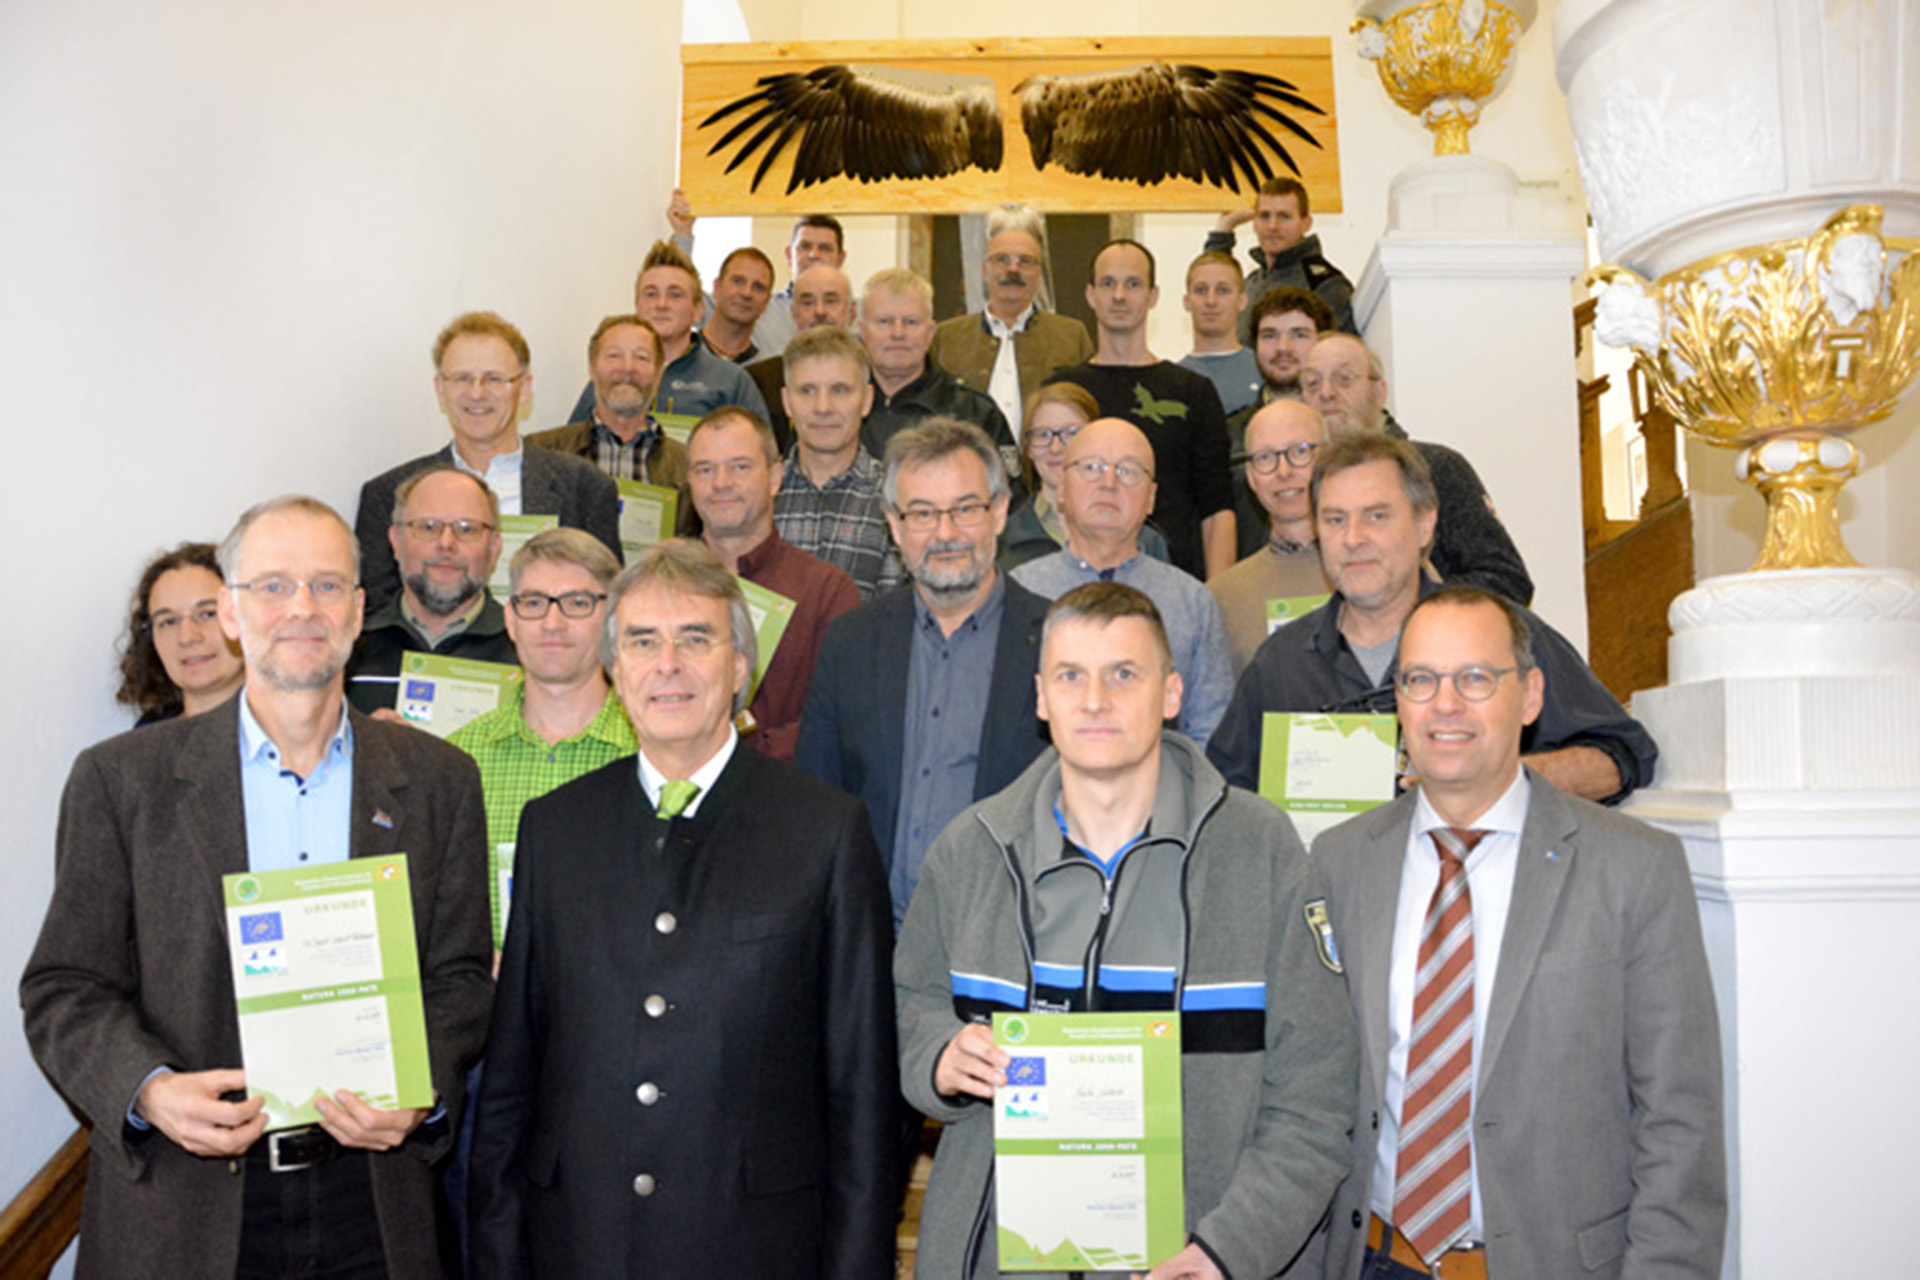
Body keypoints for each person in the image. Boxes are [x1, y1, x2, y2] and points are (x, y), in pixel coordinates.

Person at [23, 495, 491, 1280]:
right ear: (232, 614)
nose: (301, 608)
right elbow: (64, 986)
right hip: (185, 1204)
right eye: (273, 585)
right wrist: (151, 1090)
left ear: (357, 611)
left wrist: (422, 1090)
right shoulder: (121, 781)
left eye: (326, 585)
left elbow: (461, 980)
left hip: (370, 1202)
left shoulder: (440, 780)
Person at [895, 583, 1358, 1280]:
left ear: (1171, 693)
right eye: (1070, 676)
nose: (1094, 700)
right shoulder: (972, 849)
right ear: (1041, 696)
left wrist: (1229, 1250)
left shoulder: (1261, 851)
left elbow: (1317, 1096)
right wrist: (938, 1053)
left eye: (1124, 674)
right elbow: (908, 1005)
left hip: (1195, 1261)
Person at [467, 540, 897, 1279]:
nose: (667, 664)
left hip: (756, 1248)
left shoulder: (824, 830)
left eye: (696, 639)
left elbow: (861, 1095)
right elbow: (512, 1080)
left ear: (739, 668)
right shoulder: (556, 828)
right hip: (579, 1241)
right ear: (615, 667)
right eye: (642, 641)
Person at [1311, 585, 1725, 1280]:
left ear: (1530, 696)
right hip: (1376, 1260)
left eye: (1475, 678)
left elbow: (1679, 1122)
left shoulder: (1635, 867)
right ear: (1399, 702)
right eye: (1421, 680)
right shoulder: (1340, 860)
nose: (1445, 704)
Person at [1207, 434, 1657, 804]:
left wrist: (1495, 778)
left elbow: (1621, 757)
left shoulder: (1499, 633)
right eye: (1335, 520)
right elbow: (1225, 798)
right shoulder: (1282, 664)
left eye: (1376, 516)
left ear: (1425, 525)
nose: (1354, 539)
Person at [796, 418, 1050, 930]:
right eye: (923, 514)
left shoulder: (1057, 643)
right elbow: (816, 801)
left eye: (965, 509)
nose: (946, 533)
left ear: (1000, 512)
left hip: (1014, 935)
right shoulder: (850, 643)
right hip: (874, 937)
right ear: (894, 525)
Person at [356, 311, 620, 613]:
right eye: (461, 378)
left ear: (524, 389)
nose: (477, 393)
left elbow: (607, 609)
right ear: (441, 390)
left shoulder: (585, 488)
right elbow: (377, 618)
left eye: (494, 378)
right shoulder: (385, 495)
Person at [446, 527, 635, 943]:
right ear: (510, 619)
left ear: (612, 621)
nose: (553, 622)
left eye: (577, 603)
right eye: (533, 603)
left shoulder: (651, 757)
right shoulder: (457, 760)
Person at [1048, 239, 1236, 579]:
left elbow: (1217, 507)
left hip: (1173, 581)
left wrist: (1218, 596)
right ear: (1090, 295)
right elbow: (1047, 494)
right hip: (1077, 579)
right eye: (1108, 284)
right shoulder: (1062, 392)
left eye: (1133, 284)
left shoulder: (1193, 391)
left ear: (1153, 296)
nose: (1119, 295)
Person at [1302, 332, 1534, 605]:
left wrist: (1418, 603)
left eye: (1344, 379)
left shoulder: (1436, 468)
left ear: (1379, 394)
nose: (1326, 393)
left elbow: (1508, 580)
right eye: (1312, 383)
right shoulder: (1294, 485)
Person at [686, 405, 859, 760]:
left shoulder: (826, 593)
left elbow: (839, 720)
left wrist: (733, 761)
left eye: (740, 467)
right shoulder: (656, 588)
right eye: (705, 469)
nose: (721, 483)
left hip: (781, 797)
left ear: (775, 477)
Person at [347, 466, 515, 715]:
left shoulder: (527, 651)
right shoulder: (349, 647)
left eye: (467, 529)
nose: (446, 543)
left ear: (494, 548)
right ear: (396, 541)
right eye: (427, 527)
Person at [928, 203, 1094, 442]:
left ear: (1039, 273)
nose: (1013, 269)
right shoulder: (946, 338)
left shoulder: (1072, 336)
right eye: (1001, 259)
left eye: (1025, 261)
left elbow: (1086, 416)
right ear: (985, 271)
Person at [564, 241, 770, 426]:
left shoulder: (732, 382)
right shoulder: (610, 376)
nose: (661, 305)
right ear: (638, 306)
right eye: (651, 294)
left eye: (675, 295)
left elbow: (762, 459)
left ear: (698, 310)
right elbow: (570, 454)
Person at [772, 325, 904, 601]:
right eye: (807, 391)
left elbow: (899, 616)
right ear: (786, 402)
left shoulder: (898, 498)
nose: (823, 407)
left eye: (840, 390)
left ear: (866, 400)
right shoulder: (758, 494)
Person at [1208, 399, 1333, 676]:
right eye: (1265, 457)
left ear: (1328, 459)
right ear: (1251, 478)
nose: (1283, 472)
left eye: (1300, 451)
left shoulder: (1384, 571)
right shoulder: (1221, 598)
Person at [857, 267, 1014, 463]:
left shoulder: (974, 412)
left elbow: (1008, 492)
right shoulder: (839, 407)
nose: (898, 333)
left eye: (911, 322)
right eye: (884, 321)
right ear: (863, 331)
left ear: (930, 333)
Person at [1225, 288, 1338, 558]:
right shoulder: (1226, 436)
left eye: (1299, 334)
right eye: (1269, 335)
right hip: (1253, 587)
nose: (1283, 347)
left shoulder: (1344, 432)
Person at [525, 314, 689, 495]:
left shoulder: (688, 465)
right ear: (592, 369)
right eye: (614, 356)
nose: (627, 367)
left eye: (641, 357)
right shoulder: (539, 452)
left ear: (658, 375)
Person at [1205, 175, 1356, 337]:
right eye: (1264, 216)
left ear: (1306, 223)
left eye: (1284, 216)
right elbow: (1211, 293)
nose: (1272, 226)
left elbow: (1342, 356)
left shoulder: (1326, 285)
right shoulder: (1252, 283)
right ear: (1254, 223)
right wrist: (1223, 230)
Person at [117, 541, 246, 724]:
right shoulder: (144, 745)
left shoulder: (293, 732)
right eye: (168, 622)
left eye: (208, 614)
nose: (187, 637)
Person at [744, 262, 858, 449]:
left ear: (851, 311)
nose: (819, 311)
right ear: (794, 313)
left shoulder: (871, 377)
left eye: (830, 301)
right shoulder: (760, 381)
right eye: (808, 303)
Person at [1178, 251, 1263, 416]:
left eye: (1222, 290)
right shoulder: (1173, 380)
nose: (1211, 301)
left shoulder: (1264, 371)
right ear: (1187, 302)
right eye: (1201, 290)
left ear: (1242, 301)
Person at [701, 245, 775, 363]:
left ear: (767, 302)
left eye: (758, 287)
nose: (747, 293)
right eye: (738, 281)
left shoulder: (766, 374)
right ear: (717, 287)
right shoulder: (681, 354)